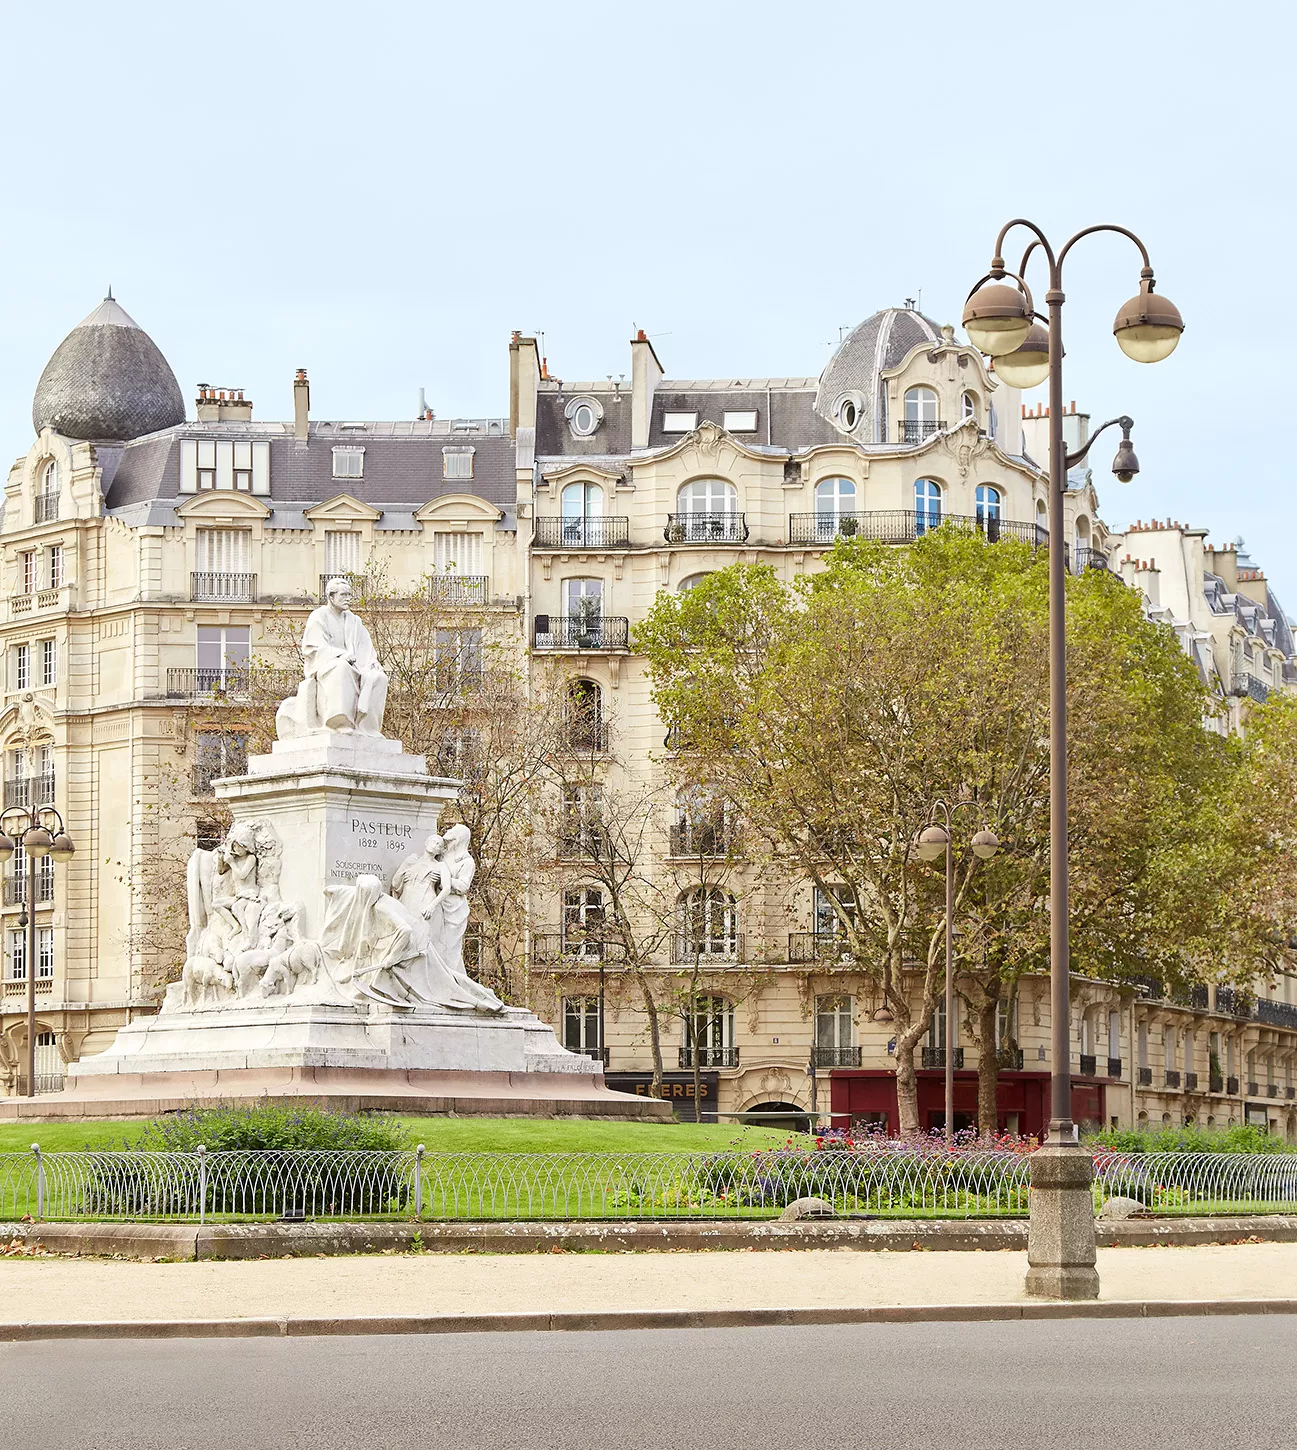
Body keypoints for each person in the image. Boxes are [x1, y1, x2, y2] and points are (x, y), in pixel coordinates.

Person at [277, 578, 388, 737]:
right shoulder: (318, 616)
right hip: (327, 665)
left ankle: (368, 728)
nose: (348, 598)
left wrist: (372, 663)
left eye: (349, 594)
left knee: (379, 677)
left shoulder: (354, 621)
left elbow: (365, 648)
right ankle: (339, 723)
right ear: (331, 596)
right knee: (341, 667)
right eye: (343, 595)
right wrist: (341, 654)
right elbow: (313, 647)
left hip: (356, 666)